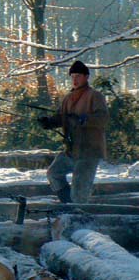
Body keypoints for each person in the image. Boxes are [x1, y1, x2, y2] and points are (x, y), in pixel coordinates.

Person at [38, 61, 109, 203]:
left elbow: (103, 118)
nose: (75, 80)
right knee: (54, 173)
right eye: (72, 76)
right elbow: (61, 118)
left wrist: (84, 119)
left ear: (86, 77)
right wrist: (49, 122)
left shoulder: (95, 96)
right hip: (71, 150)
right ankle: (69, 206)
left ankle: (80, 217)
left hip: (89, 152)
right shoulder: (68, 98)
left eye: (78, 76)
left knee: (79, 192)